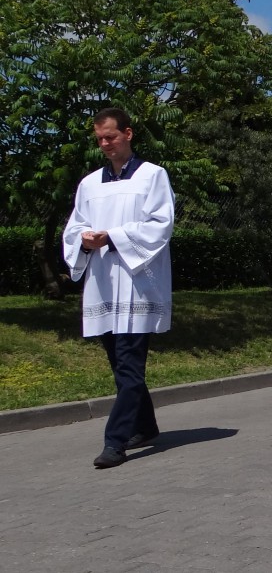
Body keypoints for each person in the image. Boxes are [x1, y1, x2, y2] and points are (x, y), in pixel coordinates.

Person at [63, 107, 174, 469]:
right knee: (119, 364)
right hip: (103, 284)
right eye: (100, 139)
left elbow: (161, 224)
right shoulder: (89, 184)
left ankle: (115, 442)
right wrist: (84, 240)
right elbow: (74, 226)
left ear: (128, 134)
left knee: (129, 364)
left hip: (138, 284)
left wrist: (112, 237)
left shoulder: (152, 176)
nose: (105, 144)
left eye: (110, 136)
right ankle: (146, 425)